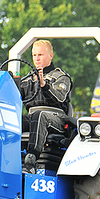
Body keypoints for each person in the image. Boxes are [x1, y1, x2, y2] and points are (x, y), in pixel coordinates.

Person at [18, 39, 73, 173]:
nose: (37, 58)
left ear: (50, 55)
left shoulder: (61, 77)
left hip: (56, 119)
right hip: (32, 117)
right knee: (13, 119)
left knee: (39, 115)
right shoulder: (27, 79)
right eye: (34, 55)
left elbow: (59, 98)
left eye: (40, 55)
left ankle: (31, 161)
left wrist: (44, 85)